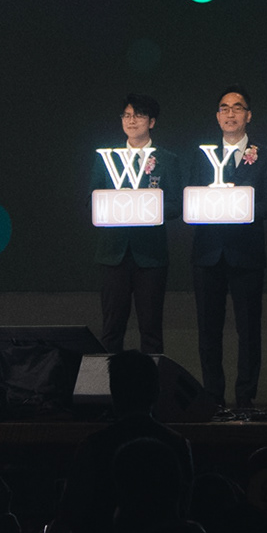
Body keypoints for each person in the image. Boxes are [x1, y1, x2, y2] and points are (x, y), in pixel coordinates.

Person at [187, 85, 267, 415]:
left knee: (248, 330)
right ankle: (213, 396)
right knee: (208, 330)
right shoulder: (202, 155)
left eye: (237, 108)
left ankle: (245, 397)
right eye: (224, 108)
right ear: (217, 116)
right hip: (208, 253)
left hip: (246, 253)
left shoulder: (265, 156)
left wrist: (242, 206)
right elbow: (190, 199)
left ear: (248, 116)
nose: (230, 113)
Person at [88, 93, 170, 359]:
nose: (131, 120)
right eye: (126, 115)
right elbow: (92, 201)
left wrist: (147, 206)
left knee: (151, 330)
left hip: (150, 255)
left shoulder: (167, 159)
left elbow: (177, 205)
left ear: (152, 122)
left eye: (139, 115)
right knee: (111, 330)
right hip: (114, 254)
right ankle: (109, 384)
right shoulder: (107, 158)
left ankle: (152, 384)